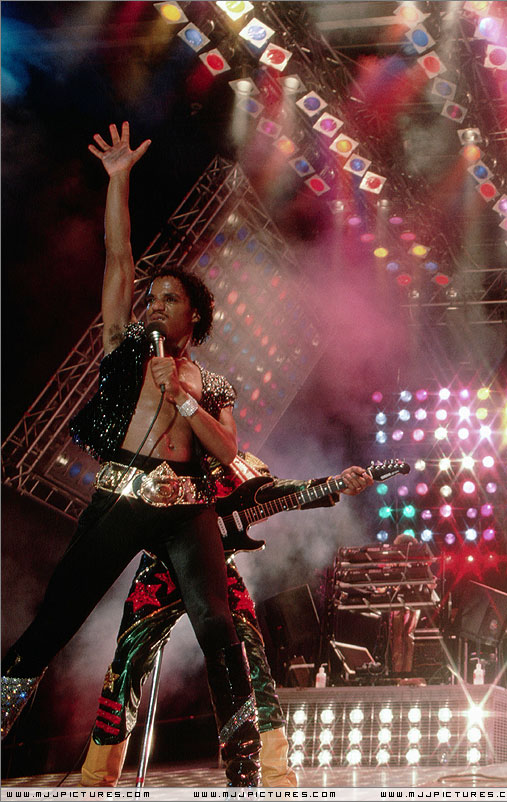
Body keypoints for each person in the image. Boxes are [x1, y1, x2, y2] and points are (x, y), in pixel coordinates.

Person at [1, 123, 261, 785]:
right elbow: (118, 259)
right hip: (122, 494)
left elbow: (229, 452)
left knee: (217, 623)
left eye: (170, 299)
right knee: (57, 617)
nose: (156, 304)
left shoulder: (212, 384)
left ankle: (244, 759)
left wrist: (184, 402)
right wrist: (119, 181)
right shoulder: (125, 350)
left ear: (195, 315)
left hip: (188, 507)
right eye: (153, 297)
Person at [81, 454, 376, 787]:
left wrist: (332, 484)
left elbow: (273, 491)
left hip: (218, 569)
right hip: (161, 571)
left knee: (253, 665)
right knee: (127, 666)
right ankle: (96, 781)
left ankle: (274, 778)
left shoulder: (236, 461)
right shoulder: (168, 451)